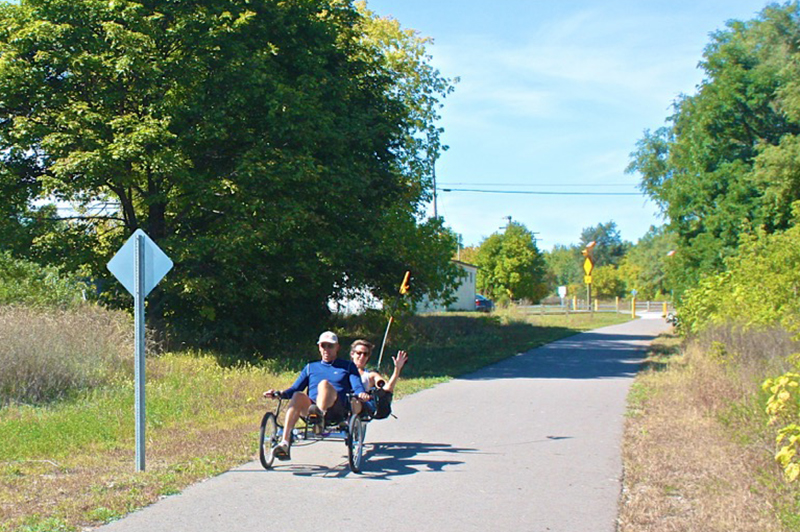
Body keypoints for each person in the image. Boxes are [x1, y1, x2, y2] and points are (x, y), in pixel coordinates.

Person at [263, 331, 370, 461]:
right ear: (319, 347)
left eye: (330, 346)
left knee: (324, 384)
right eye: (323, 346)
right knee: (297, 395)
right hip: (310, 411)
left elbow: (357, 386)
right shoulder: (310, 367)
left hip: (336, 409)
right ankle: (285, 443)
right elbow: (295, 388)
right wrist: (279, 393)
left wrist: (361, 394)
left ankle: (320, 416)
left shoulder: (347, 366)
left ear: (337, 347)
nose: (326, 349)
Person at [349, 339, 407, 418]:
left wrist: (397, 369)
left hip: (360, 404)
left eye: (365, 354)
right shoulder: (342, 370)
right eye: (359, 353)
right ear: (352, 354)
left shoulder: (370, 375)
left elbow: (387, 388)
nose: (362, 357)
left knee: (354, 402)